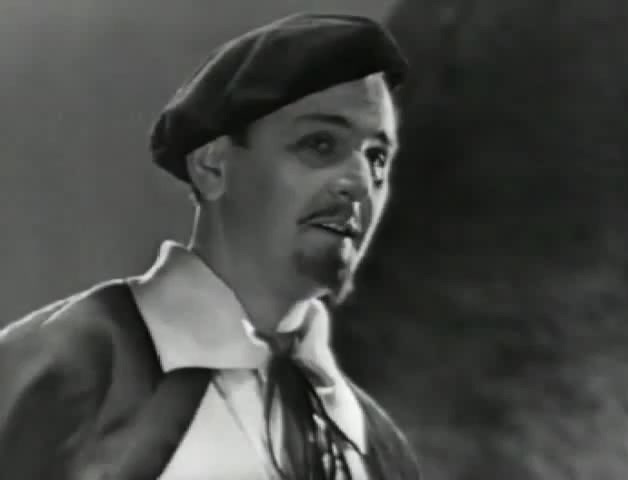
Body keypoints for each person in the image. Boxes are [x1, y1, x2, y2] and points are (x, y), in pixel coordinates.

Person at [0, 12, 420, 480]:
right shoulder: (59, 370)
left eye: (377, 157)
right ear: (212, 166)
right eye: (320, 144)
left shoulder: (372, 442)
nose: (361, 183)